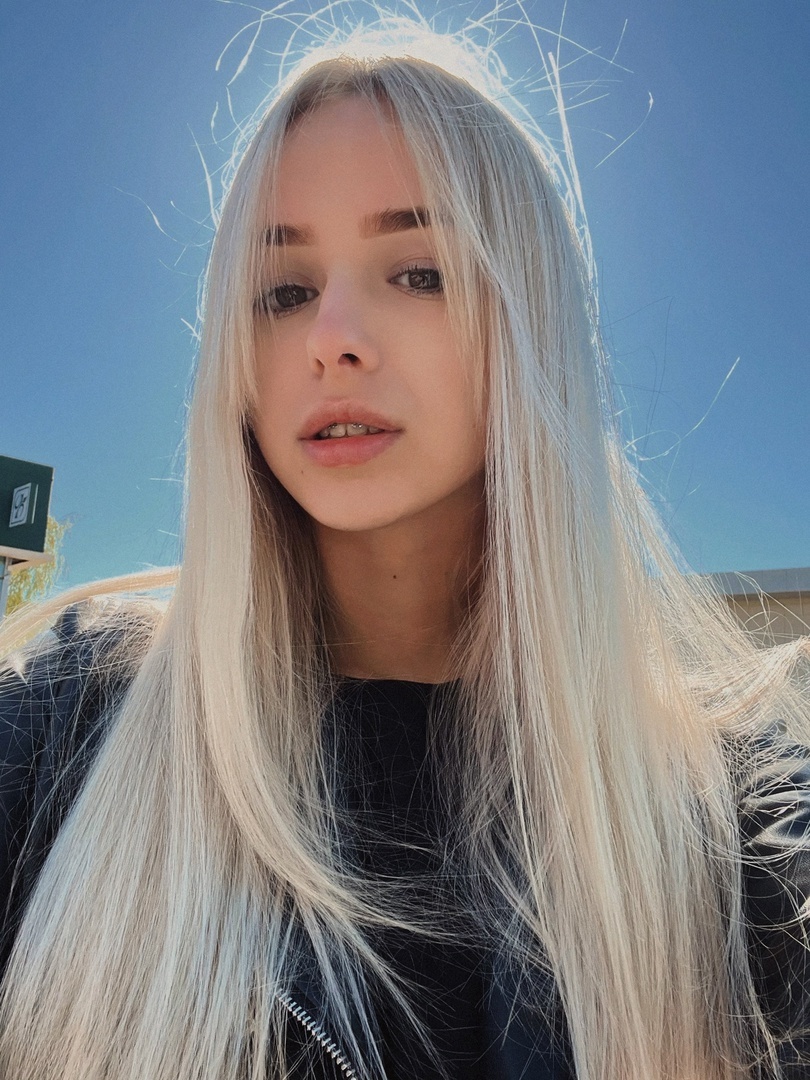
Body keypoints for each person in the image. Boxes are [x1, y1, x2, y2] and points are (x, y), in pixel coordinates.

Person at [1, 10, 809, 1080]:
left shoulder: (730, 821)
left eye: (418, 272)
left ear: (530, 318)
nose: (332, 337)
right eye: (284, 292)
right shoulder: (64, 729)